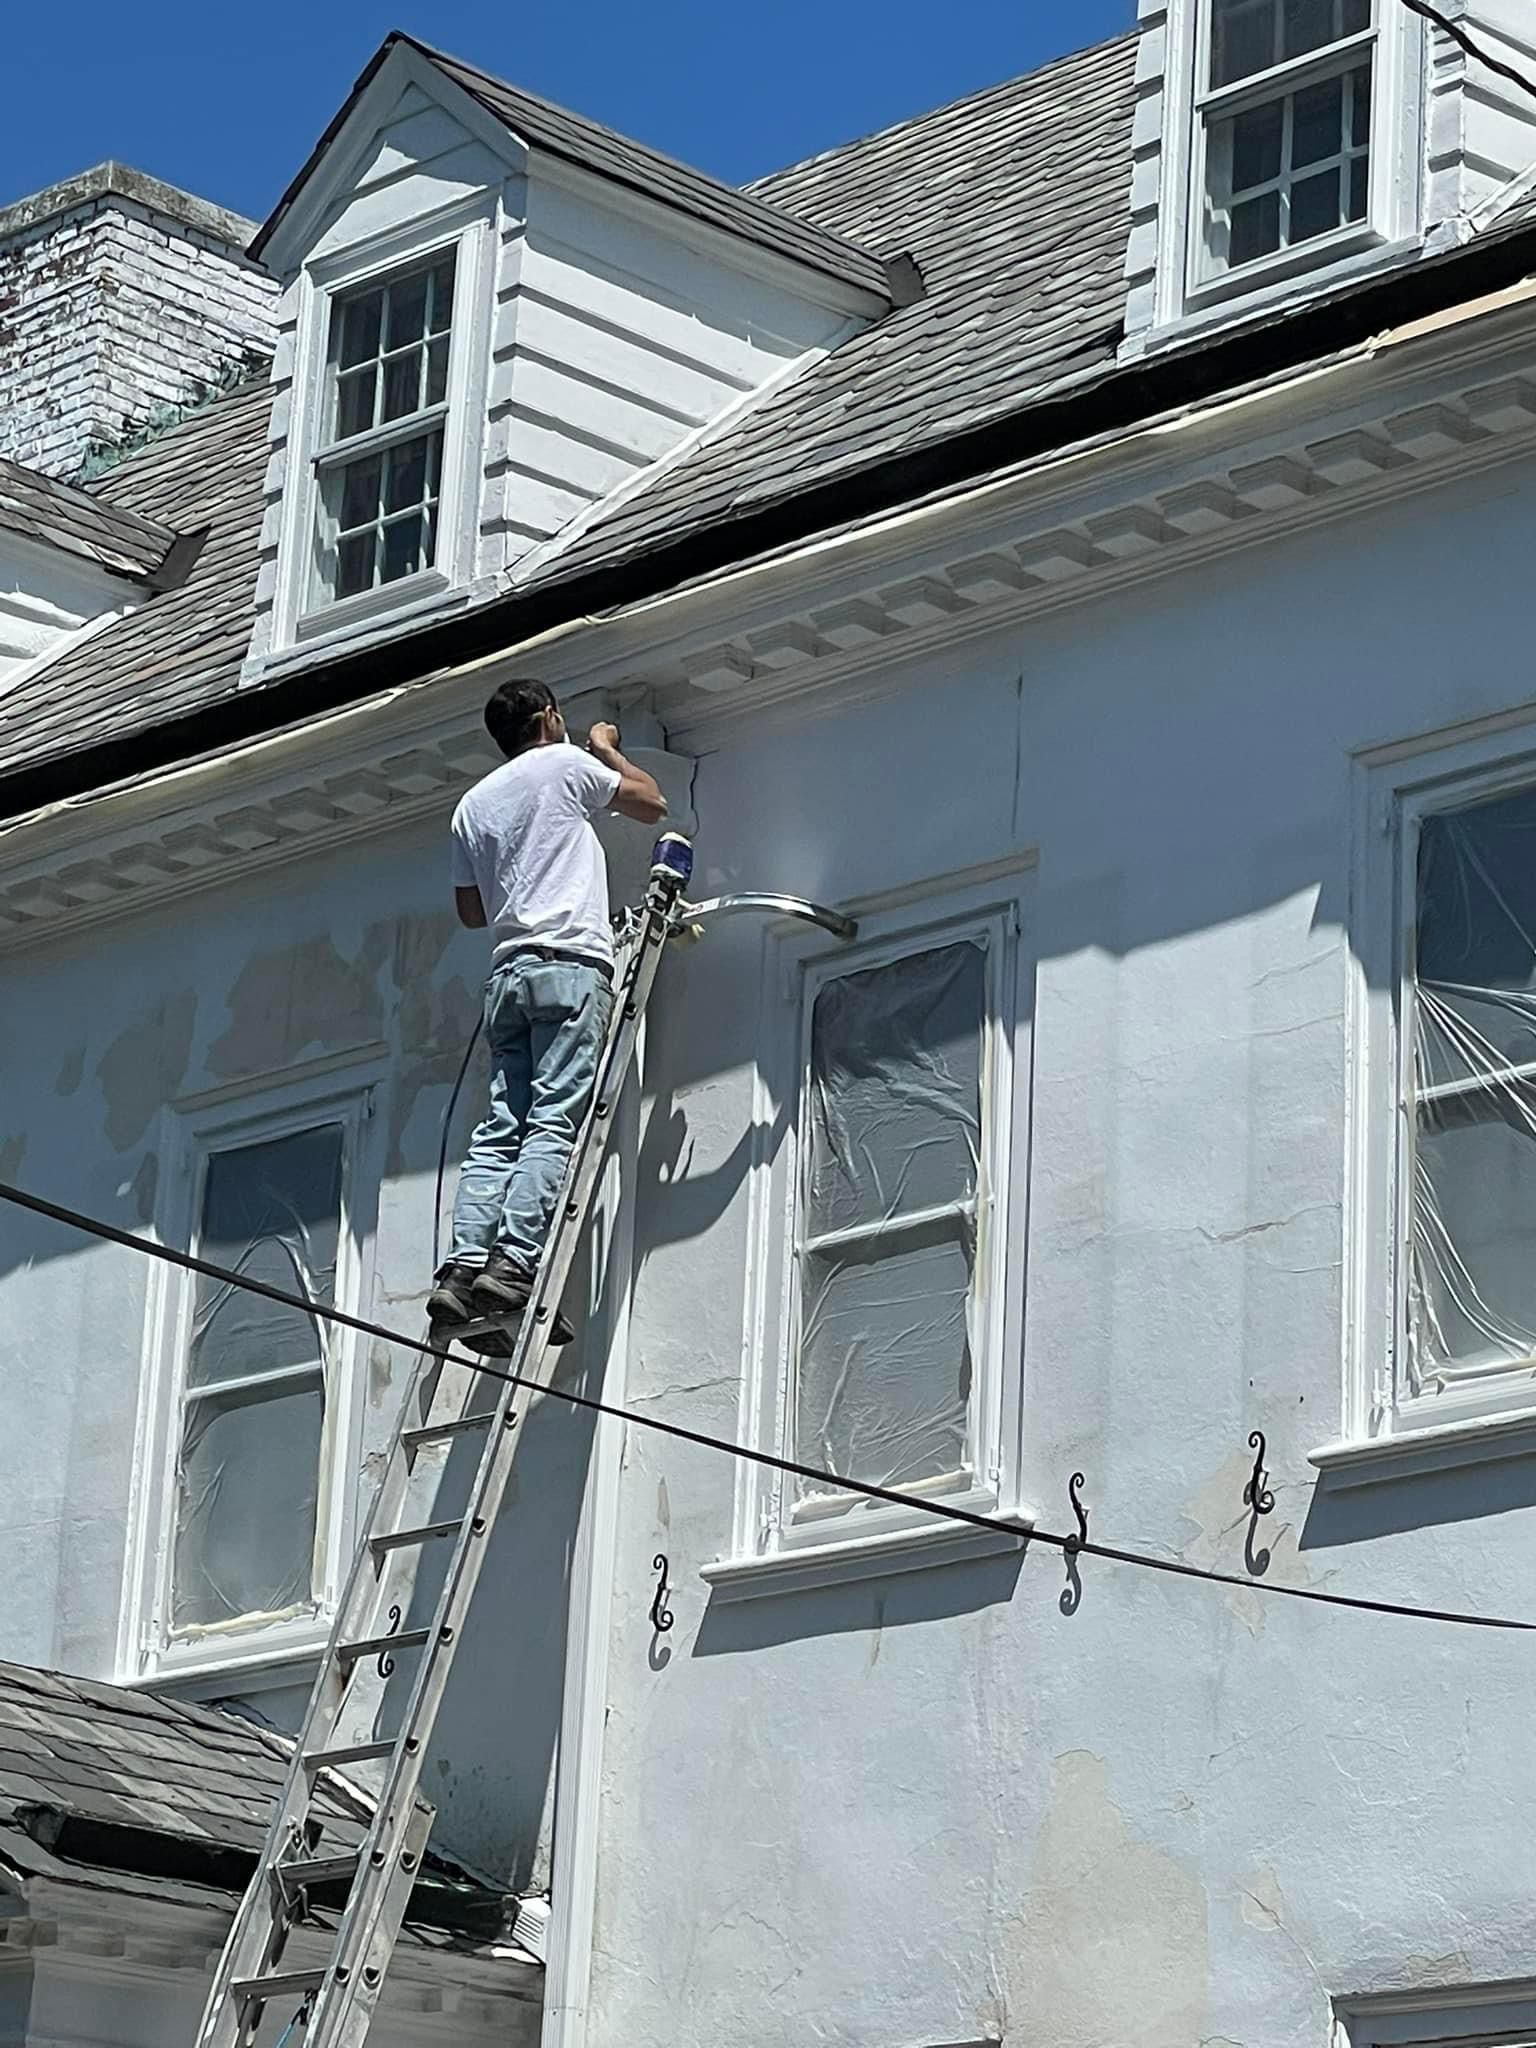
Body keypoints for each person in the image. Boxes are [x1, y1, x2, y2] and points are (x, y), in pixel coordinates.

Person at [429, 679, 667, 1349]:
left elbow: (472, 911)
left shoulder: (472, 806)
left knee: (501, 1126)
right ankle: (512, 1263)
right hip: (569, 966)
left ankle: (463, 1267)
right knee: (554, 1120)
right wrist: (606, 750)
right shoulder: (565, 764)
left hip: (508, 975)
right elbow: (651, 802)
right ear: (550, 718)